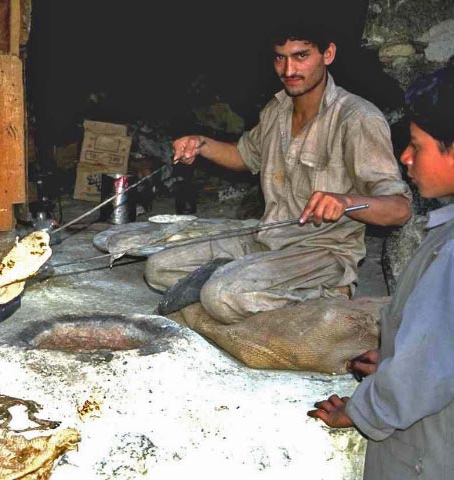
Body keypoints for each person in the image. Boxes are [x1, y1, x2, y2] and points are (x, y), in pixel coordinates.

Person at [145, 22, 412, 323]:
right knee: (159, 268)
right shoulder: (276, 110)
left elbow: (399, 209)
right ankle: (246, 286)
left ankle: (328, 294)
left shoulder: (357, 118)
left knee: (221, 296)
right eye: (279, 58)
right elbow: (244, 156)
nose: (289, 70)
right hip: (266, 237)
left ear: (328, 54)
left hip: (319, 252)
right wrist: (201, 143)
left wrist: (346, 202)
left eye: (301, 56)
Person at [307, 60, 454, 478]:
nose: (405, 157)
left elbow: (419, 377)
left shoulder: (451, 254)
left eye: (417, 146)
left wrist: (358, 410)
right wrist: (394, 354)